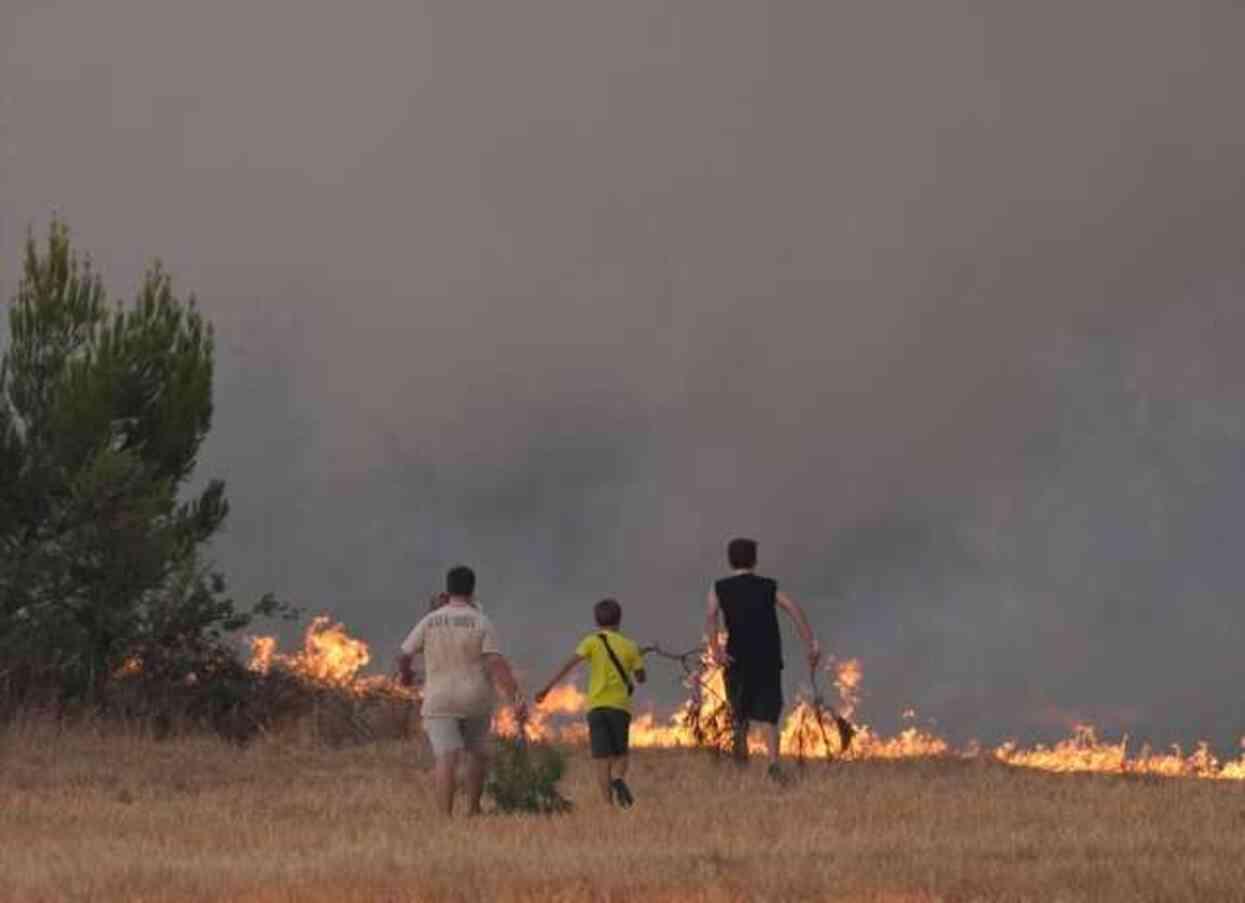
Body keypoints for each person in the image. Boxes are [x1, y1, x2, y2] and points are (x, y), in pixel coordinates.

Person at [397, 565, 523, 816]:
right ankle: (474, 809)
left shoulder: (430, 621)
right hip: (475, 698)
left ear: (448, 589)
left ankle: (445, 816)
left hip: (439, 700)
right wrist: (515, 699)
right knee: (477, 754)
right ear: (472, 589)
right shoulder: (481, 621)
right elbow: (496, 663)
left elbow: (404, 654)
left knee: (446, 757)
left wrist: (406, 675)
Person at [705, 537, 821, 781]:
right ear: (755, 560)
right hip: (767, 659)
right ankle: (773, 764)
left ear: (729, 560)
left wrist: (716, 650)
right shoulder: (768, 587)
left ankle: (741, 757)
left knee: (739, 711)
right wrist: (810, 642)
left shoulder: (719, 588)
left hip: (736, 659)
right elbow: (793, 609)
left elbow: (711, 617)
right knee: (769, 715)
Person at [535, 598, 646, 807]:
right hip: (619, 707)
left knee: (601, 759)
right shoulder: (630, 646)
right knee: (621, 755)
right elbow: (641, 677)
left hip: (596, 707)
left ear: (596, 621)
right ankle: (619, 778)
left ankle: (607, 805)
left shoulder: (591, 642)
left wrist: (547, 688)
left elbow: (569, 665)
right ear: (620, 620)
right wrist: (637, 660)